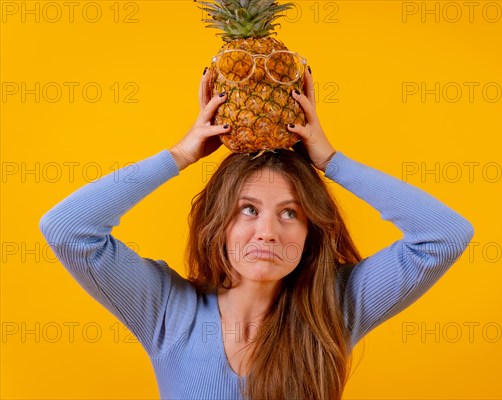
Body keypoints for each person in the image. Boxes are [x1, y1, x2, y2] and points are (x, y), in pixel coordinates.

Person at [39, 66, 475, 400]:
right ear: (220, 223)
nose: (267, 232)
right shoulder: (168, 311)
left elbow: (444, 235)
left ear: (310, 231)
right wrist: (181, 154)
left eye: (290, 213)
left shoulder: (335, 309)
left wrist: (331, 162)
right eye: (249, 210)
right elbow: (68, 229)